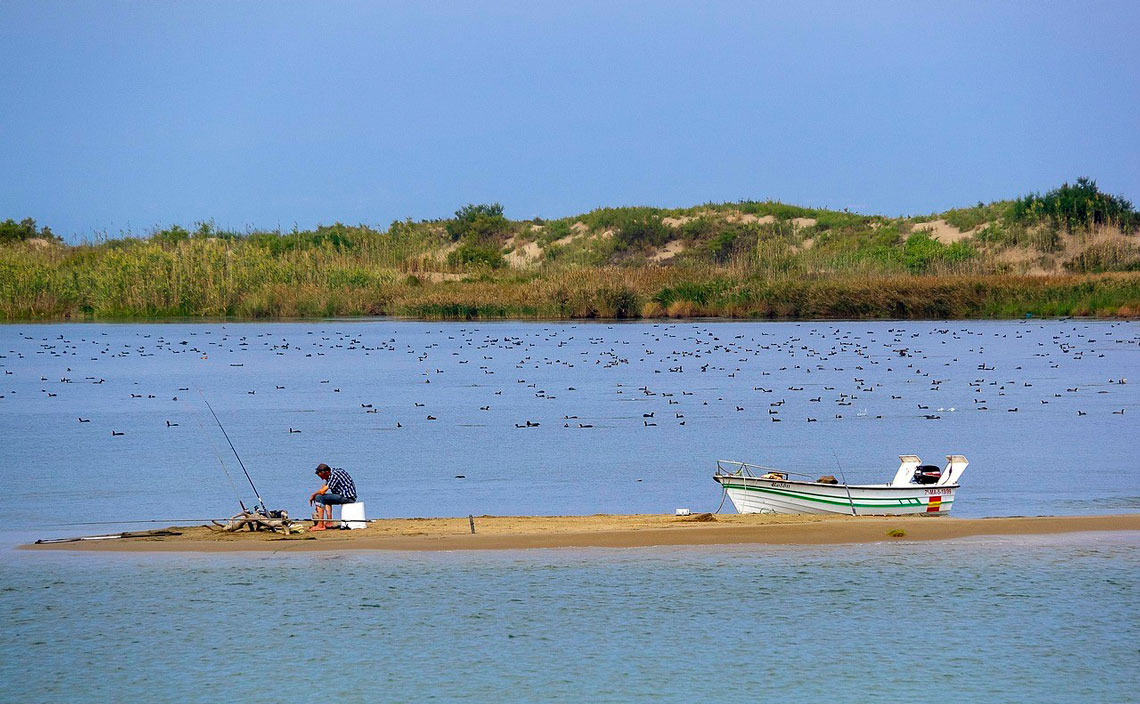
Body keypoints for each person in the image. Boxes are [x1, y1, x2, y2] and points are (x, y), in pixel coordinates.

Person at [308, 463, 357, 531]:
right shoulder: (335, 472)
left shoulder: (333, 476)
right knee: (324, 498)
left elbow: (322, 491)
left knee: (319, 497)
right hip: (347, 496)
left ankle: (320, 525)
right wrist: (320, 505)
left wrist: (313, 496)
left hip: (347, 497)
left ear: (327, 472)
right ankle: (329, 522)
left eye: (322, 477)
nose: (322, 479)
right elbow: (324, 488)